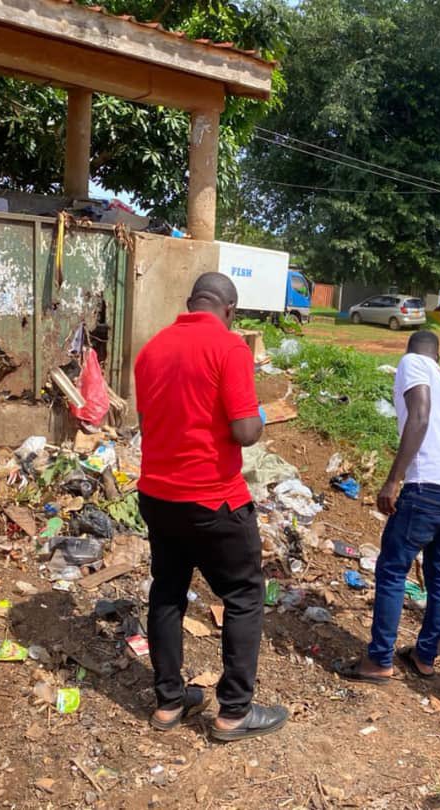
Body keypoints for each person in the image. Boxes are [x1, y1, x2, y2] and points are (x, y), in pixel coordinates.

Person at [134, 272, 288, 742]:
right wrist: (259, 414)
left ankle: (168, 702)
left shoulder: (151, 350)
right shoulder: (230, 347)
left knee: (168, 592)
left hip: (158, 496)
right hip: (214, 498)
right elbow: (244, 431)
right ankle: (234, 713)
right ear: (230, 311)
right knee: (243, 595)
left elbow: (148, 420)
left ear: (189, 303)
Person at [339, 330, 440, 683]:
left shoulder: (413, 363)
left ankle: (379, 660)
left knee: (392, 569)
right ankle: (425, 656)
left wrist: (394, 479)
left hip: (427, 483)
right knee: (439, 576)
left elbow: (419, 416)